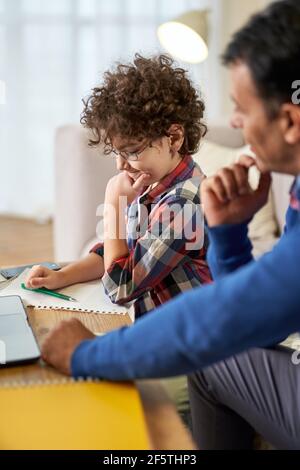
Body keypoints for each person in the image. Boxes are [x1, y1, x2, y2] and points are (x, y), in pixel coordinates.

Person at [40, 0, 300, 450]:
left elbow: (138, 292)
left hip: (183, 341)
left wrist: (87, 355)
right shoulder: (290, 193)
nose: (234, 123)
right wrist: (231, 235)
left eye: (240, 108)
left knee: (188, 367)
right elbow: (261, 319)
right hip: (202, 331)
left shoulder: (184, 199)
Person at [26, 54, 211, 423]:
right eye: (116, 152)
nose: (120, 165)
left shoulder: (184, 202)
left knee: (102, 401)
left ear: (173, 137)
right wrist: (66, 274)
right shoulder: (158, 182)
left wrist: (114, 205)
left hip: (194, 356)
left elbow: (122, 283)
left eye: (131, 151)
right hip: (160, 331)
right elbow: (125, 251)